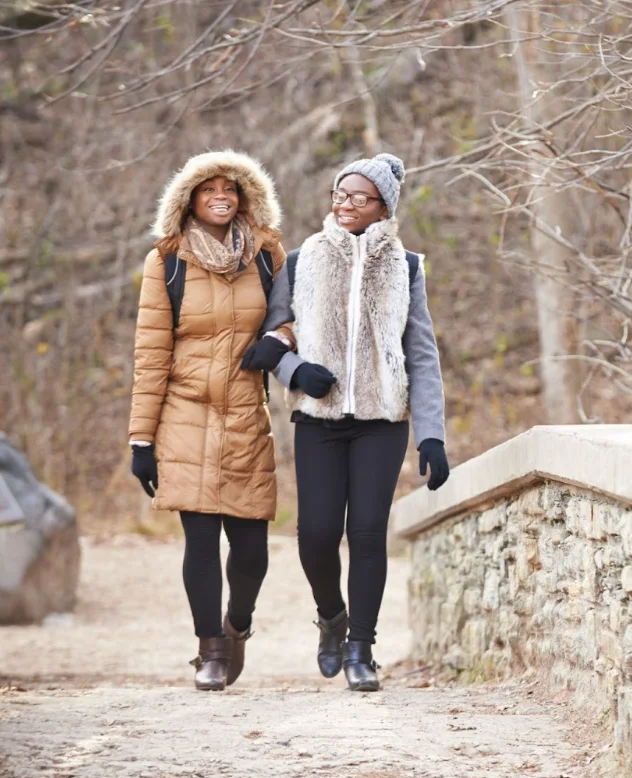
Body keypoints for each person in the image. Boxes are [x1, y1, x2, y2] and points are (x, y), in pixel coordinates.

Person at [242, 152, 449, 692]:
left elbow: (422, 354)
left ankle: (361, 648)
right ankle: (331, 617)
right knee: (314, 535)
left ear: (384, 207)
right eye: (340, 194)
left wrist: (431, 433)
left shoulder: (407, 267)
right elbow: (273, 333)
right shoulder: (302, 258)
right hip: (318, 419)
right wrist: (295, 371)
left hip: (381, 422)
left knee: (366, 534)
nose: (347, 205)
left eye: (360, 198)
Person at [128, 150, 289, 691]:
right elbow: (151, 354)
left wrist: (278, 340)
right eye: (208, 189)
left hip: (246, 415)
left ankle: (236, 626)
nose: (221, 197)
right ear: (190, 200)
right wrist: (141, 438)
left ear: (245, 197)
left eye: (231, 189)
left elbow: (295, 317)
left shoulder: (268, 255)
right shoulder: (167, 261)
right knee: (201, 542)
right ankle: (210, 651)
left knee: (251, 552)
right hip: (184, 415)